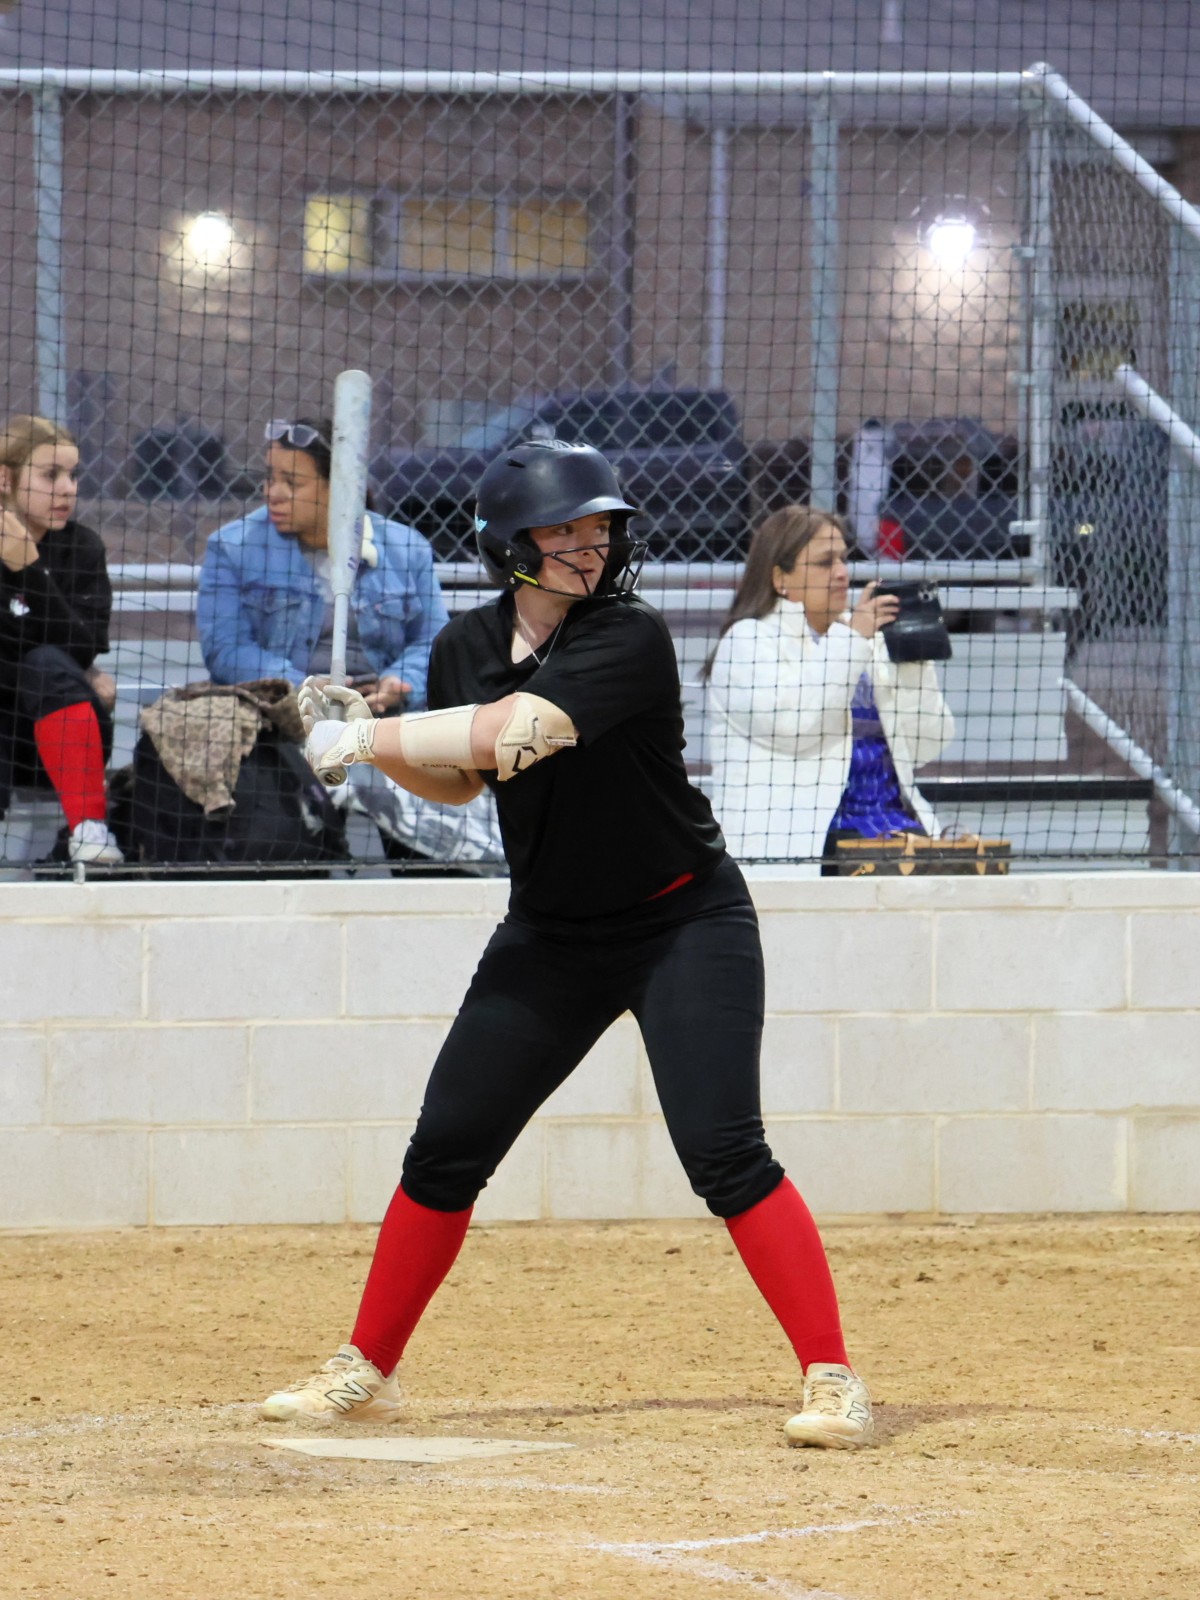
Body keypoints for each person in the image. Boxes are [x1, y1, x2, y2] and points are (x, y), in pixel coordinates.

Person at [258, 440, 874, 1450]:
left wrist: (366, 738)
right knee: (447, 1145)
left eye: (600, 528)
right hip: (551, 932)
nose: (592, 546)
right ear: (511, 545)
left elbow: (510, 736)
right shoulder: (462, 648)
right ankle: (365, 1367)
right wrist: (360, 748)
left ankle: (831, 1372)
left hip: (684, 919)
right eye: (566, 530)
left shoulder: (626, 637)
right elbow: (464, 781)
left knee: (725, 1151)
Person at [196, 417, 501, 870]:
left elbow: (433, 640)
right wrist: (301, 687)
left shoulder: (406, 548)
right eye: (270, 477)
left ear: (339, 488)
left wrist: (403, 682)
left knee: (446, 822)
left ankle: (434, 888)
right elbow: (226, 650)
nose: (272, 492)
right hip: (285, 728)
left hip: (386, 720)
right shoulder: (234, 548)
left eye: (292, 482)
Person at [704, 505, 955, 872]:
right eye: (824, 563)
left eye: (843, 559)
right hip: (805, 846)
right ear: (780, 578)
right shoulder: (747, 642)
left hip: (896, 832)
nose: (841, 572)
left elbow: (927, 746)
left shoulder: (863, 642)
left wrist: (914, 666)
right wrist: (853, 638)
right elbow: (796, 725)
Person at [0, 414, 122, 866]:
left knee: (49, 664)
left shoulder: (82, 547)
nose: (68, 489)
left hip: (66, 727)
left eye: (72, 475)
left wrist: (28, 570)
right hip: (7, 723)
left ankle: (89, 830)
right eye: (51, 475)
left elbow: (80, 648)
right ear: (5, 478)